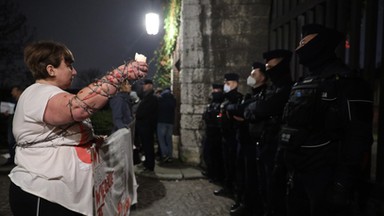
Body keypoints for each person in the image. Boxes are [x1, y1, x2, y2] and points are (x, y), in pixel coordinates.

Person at [8, 40, 147, 216]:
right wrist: (119, 75)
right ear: (51, 70)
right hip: (43, 196)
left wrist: (92, 140)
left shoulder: (54, 94)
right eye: (68, 65)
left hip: (63, 200)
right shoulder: (36, 93)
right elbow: (78, 108)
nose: (74, 72)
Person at [279, 24, 373, 216]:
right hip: (299, 172)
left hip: (326, 176)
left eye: (305, 41)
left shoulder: (346, 82)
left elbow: (358, 137)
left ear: (321, 43)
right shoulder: (304, 82)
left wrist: (342, 184)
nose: (299, 47)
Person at [213, 73, 243, 213]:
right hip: (224, 136)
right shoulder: (225, 100)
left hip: (234, 136)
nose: (226, 85)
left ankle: (236, 192)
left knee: (235, 165)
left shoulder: (238, 98)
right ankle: (228, 187)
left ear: (236, 83)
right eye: (225, 82)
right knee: (227, 163)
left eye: (229, 83)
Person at [202, 83, 225, 182]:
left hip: (217, 132)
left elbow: (219, 117)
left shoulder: (222, 103)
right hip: (209, 131)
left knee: (216, 155)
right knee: (207, 153)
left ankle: (217, 175)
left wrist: (214, 116)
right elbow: (207, 115)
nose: (214, 92)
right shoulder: (211, 103)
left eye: (216, 91)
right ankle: (210, 172)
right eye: (213, 91)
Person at [135, 79, 158, 172]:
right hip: (145, 126)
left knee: (148, 146)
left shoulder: (151, 98)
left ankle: (149, 165)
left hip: (147, 126)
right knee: (146, 146)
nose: (143, 86)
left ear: (150, 86)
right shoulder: (147, 96)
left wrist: (138, 115)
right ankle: (147, 163)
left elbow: (146, 112)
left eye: (145, 85)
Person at [2, 85, 24, 166]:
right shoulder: (14, 101)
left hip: (18, 126)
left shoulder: (23, 100)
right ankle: (12, 158)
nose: (12, 93)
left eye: (13, 90)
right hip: (12, 124)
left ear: (19, 91)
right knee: (11, 142)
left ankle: (15, 159)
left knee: (15, 142)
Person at [157, 87, 176, 163]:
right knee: (169, 139)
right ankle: (170, 155)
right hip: (170, 122)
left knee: (161, 139)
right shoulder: (173, 99)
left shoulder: (161, 99)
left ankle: (165, 154)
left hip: (161, 121)